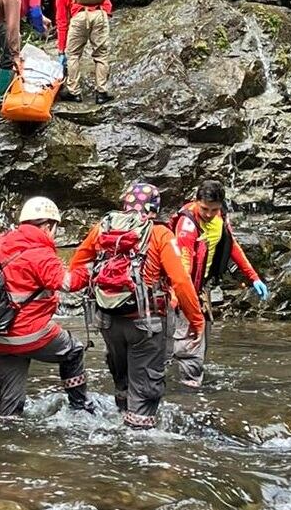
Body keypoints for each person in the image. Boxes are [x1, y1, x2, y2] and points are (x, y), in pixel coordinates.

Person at [67, 183, 205, 429]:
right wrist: (196, 320)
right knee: (146, 384)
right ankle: (139, 440)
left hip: (107, 320)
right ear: (154, 209)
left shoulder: (103, 228)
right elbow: (181, 281)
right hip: (147, 322)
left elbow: (77, 263)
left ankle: (119, 422)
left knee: (122, 377)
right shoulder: (160, 234)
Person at [0, 196, 93, 418]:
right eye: (54, 228)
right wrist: (87, 270)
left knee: (10, 409)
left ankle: (2, 440)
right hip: (30, 335)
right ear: (46, 226)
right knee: (73, 350)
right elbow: (68, 283)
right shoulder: (41, 253)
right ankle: (80, 409)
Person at [170, 180, 268, 388]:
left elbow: (232, 247)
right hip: (183, 287)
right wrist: (181, 297)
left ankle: (187, 379)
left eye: (213, 210)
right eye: (204, 208)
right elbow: (183, 265)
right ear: (196, 201)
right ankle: (188, 391)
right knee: (191, 337)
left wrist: (254, 277)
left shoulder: (220, 218)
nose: (208, 214)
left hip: (201, 286)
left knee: (202, 334)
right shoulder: (187, 225)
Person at [55, 0, 113, 105]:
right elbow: (108, 5)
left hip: (79, 17)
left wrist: (61, 49)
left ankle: (74, 92)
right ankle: (101, 93)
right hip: (100, 14)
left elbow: (62, 21)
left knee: (73, 54)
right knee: (101, 55)